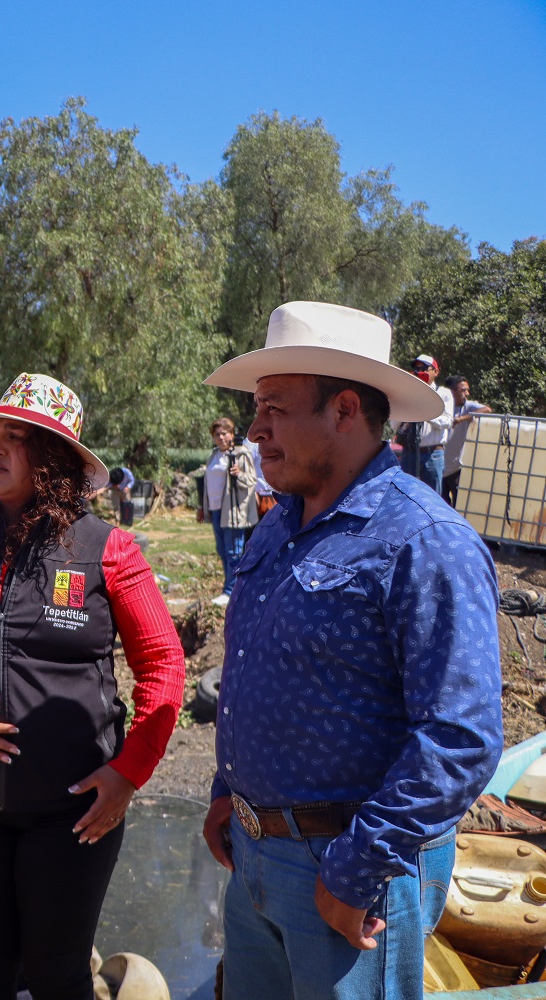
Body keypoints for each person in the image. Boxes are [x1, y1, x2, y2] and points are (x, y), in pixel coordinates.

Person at [200, 301, 502, 1000]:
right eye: (255, 409)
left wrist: (356, 868)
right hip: (254, 854)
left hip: (347, 871)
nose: (255, 429)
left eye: (274, 408)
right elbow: (259, 670)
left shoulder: (425, 541)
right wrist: (228, 793)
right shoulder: (278, 526)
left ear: (343, 410)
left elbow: (461, 736)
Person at [0, 373, 185, 999]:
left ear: (53, 457)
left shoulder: (109, 549)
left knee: (57, 973)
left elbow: (162, 664)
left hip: (74, 810)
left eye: (15, 437)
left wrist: (129, 772)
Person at [198, 417, 259, 607]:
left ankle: (231, 591)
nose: (221, 438)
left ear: (232, 434)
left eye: (224, 433)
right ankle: (232, 587)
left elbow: (251, 480)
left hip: (232, 510)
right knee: (222, 550)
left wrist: (238, 474)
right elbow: (208, 482)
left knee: (234, 551)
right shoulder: (214, 454)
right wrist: (202, 506)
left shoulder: (241, 454)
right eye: (217, 434)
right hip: (215, 508)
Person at [393, 353, 454, 493]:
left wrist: (425, 413)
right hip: (409, 453)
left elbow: (447, 421)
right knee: (405, 493)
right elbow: (394, 424)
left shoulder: (443, 393)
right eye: (417, 369)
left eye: (424, 369)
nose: (419, 372)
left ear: (436, 372)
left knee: (432, 496)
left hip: (432, 454)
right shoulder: (407, 392)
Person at [439, 374, 491, 508]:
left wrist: (461, 419)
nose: (467, 393)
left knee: (459, 506)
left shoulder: (468, 406)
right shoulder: (442, 406)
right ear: (451, 391)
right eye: (463, 390)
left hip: (456, 468)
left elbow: (487, 409)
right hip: (439, 467)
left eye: (467, 390)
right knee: (440, 506)